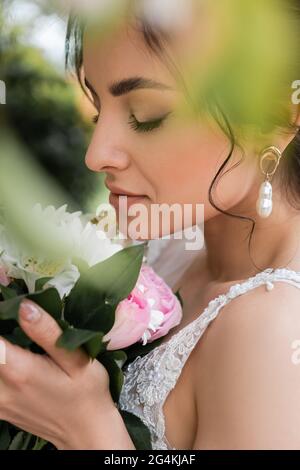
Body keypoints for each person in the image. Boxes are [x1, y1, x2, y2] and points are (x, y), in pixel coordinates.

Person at [1, 0, 300, 449]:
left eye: (147, 114)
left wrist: (86, 430)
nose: (96, 155)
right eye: (100, 109)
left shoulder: (275, 333)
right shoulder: (169, 249)